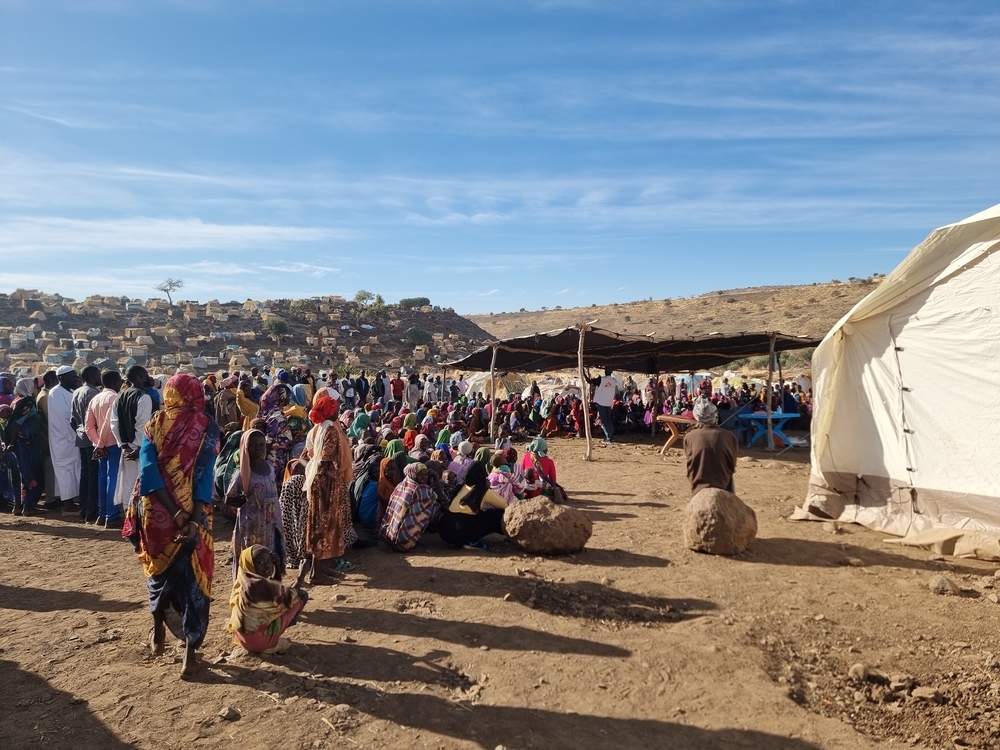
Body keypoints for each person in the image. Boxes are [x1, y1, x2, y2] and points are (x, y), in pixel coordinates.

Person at [125, 373, 220, 679]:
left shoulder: (154, 425)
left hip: (155, 513)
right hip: (193, 513)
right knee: (193, 579)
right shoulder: (205, 427)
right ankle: (190, 656)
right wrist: (190, 518)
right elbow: (204, 478)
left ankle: (157, 633)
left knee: (158, 573)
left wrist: (172, 512)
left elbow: (149, 472)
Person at [297, 393, 355, 585]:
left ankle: (322, 568)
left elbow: (308, 457)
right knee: (323, 526)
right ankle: (316, 573)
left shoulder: (318, 429)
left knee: (322, 525)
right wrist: (329, 475)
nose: (338, 409)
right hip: (326, 484)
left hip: (320, 482)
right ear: (330, 411)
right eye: (335, 407)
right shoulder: (329, 431)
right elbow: (326, 459)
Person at [227, 429, 286, 580]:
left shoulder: (270, 467)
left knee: (273, 552)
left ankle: (272, 589)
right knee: (255, 555)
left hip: (273, 517)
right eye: (253, 445)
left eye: (261, 444)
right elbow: (229, 499)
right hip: (253, 521)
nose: (259, 447)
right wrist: (245, 500)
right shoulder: (242, 473)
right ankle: (251, 589)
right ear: (246, 447)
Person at [228, 544, 309, 654]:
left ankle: (271, 636)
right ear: (250, 564)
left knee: (282, 601)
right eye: (261, 563)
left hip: (243, 638)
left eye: (269, 561)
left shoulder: (243, 582)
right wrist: (301, 577)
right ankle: (272, 641)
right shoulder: (259, 586)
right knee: (302, 595)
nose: (267, 566)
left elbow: (275, 587)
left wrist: (277, 566)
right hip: (258, 642)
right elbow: (286, 596)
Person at [111, 366, 154, 519]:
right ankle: (139, 517)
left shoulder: (120, 396)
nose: (148, 377)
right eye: (146, 374)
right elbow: (142, 425)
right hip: (140, 447)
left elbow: (114, 424)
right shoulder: (144, 397)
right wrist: (139, 448)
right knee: (141, 482)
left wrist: (123, 446)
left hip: (127, 447)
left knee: (128, 481)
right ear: (140, 376)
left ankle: (129, 516)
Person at [85, 370, 124, 528]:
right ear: (115, 382)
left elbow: (88, 426)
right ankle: (112, 515)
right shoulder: (114, 398)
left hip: (100, 445)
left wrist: (97, 444)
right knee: (112, 479)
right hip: (112, 443)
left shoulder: (95, 399)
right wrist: (101, 444)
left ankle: (102, 514)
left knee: (103, 478)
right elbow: (109, 423)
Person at [2, 378, 44, 515]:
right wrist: (12, 442)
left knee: (17, 474)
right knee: (29, 472)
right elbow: (18, 424)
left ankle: (18, 506)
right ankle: (28, 506)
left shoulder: (16, 400)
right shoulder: (28, 402)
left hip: (17, 444)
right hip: (26, 444)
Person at [683, 397, 738, 496]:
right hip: (724, 485)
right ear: (715, 415)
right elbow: (732, 465)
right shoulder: (729, 436)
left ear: (697, 417)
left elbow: (690, 463)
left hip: (697, 486)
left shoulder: (689, 437)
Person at [380, 463, 439, 551]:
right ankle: (411, 538)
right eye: (420, 474)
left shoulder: (401, 485)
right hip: (403, 541)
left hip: (388, 535)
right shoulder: (421, 489)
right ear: (413, 474)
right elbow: (440, 498)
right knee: (436, 507)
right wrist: (437, 479)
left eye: (426, 474)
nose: (424, 477)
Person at [48, 366, 81, 517]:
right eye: (72, 377)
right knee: (65, 472)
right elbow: (64, 418)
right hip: (63, 439)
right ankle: (67, 506)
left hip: (73, 440)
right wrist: (77, 436)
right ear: (61, 378)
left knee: (74, 471)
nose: (75, 379)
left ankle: (73, 502)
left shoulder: (71, 391)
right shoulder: (55, 393)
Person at [72, 365, 102, 523]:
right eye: (98, 375)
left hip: (81, 437)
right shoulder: (93, 393)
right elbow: (96, 419)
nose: (100, 378)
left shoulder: (76, 391)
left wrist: (79, 431)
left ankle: (84, 508)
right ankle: (91, 511)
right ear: (92, 376)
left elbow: (72, 420)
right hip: (92, 438)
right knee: (93, 475)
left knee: (85, 474)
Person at [279, 459, 308, 569]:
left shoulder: (289, 482)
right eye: (297, 469)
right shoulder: (308, 480)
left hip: (289, 517)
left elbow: (283, 507)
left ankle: (294, 556)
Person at [586, 367, 618, 445]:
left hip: (601, 402)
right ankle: (611, 435)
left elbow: (589, 381)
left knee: (604, 420)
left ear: (605, 371)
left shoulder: (601, 380)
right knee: (608, 419)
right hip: (609, 402)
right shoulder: (614, 381)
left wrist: (584, 373)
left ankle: (608, 438)